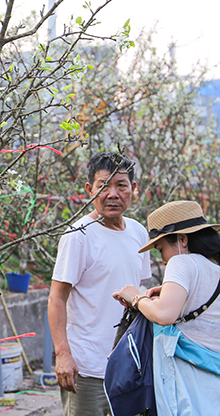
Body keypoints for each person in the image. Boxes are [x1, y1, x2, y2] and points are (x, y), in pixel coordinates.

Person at [47, 152, 152, 416]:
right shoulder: (78, 235)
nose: (112, 193)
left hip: (129, 364)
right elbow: (56, 298)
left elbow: (138, 295)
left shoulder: (139, 233)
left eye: (121, 185)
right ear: (89, 189)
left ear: (133, 189)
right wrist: (63, 355)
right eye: (103, 185)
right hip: (87, 368)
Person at [112, 200, 220, 415]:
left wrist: (136, 297)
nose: (163, 261)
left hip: (190, 382)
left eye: (161, 249)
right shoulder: (215, 268)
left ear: (182, 239)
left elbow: (164, 315)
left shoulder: (182, 263)